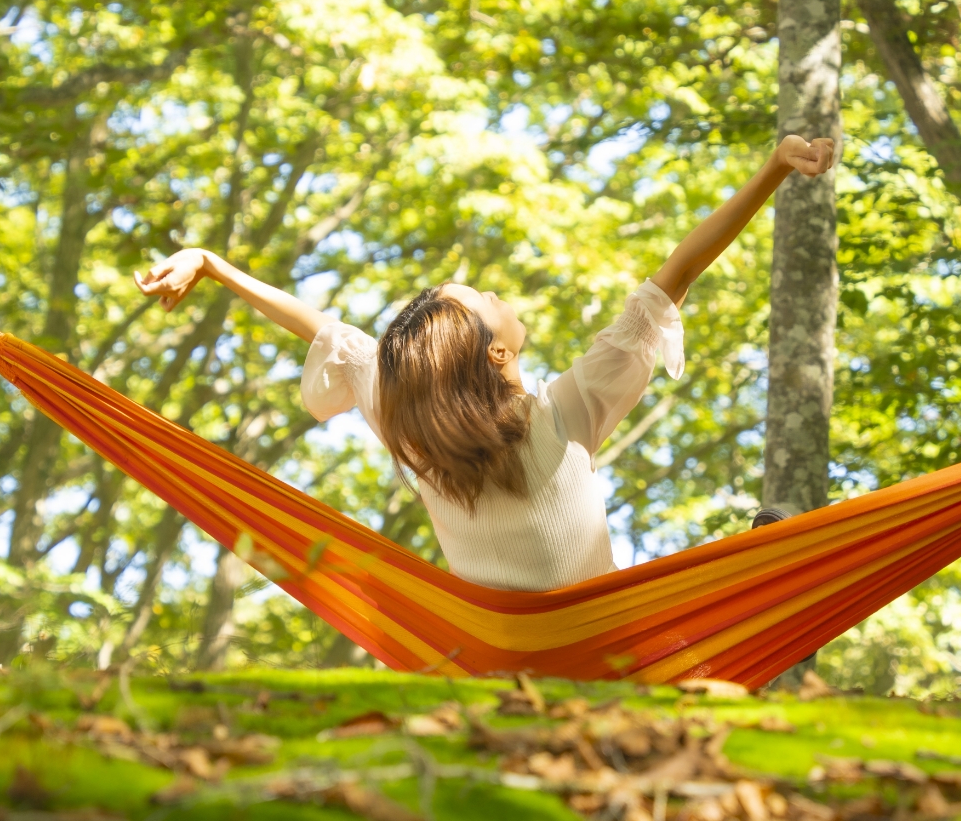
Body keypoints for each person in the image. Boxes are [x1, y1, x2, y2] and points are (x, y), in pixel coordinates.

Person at [135, 134, 838, 591]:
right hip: (619, 648)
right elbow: (675, 274)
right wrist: (774, 168)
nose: (497, 292)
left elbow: (321, 327)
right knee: (765, 537)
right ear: (497, 351)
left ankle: (760, 575)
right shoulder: (565, 413)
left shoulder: (415, 434)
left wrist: (214, 264)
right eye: (485, 298)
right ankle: (765, 578)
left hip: (500, 660)